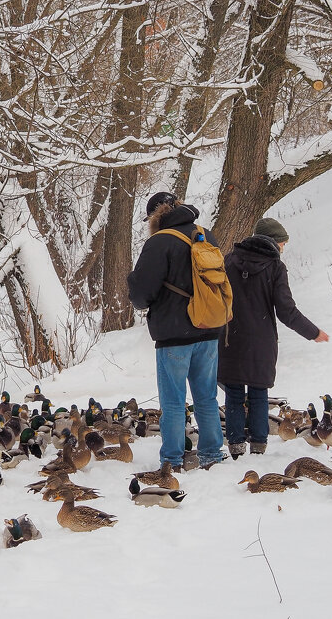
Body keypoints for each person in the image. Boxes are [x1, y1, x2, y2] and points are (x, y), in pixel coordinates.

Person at [127, 191, 226, 470]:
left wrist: (133, 282)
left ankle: (172, 459)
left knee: (173, 400)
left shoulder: (159, 242)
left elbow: (141, 295)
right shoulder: (206, 235)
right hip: (208, 327)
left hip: (173, 333)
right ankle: (211, 454)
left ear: (155, 218)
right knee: (206, 396)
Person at [218, 217, 328, 458]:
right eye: (283, 244)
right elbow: (286, 310)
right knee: (258, 393)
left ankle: (236, 445)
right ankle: (258, 446)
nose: (283, 248)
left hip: (229, 338)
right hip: (261, 341)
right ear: (274, 242)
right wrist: (313, 332)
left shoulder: (229, 261)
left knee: (233, 393)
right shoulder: (275, 267)